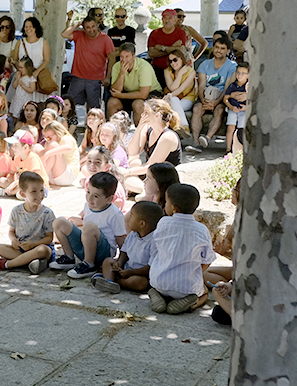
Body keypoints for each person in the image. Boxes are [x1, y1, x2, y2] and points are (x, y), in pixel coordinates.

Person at [148, 183, 215, 314]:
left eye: (166, 202)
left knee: (157, 286)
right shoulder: (202, 230)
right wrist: (195, 272)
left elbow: (154, 249)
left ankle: (155, 293)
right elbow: (208, 259)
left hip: (159, 281)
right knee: (205, 292)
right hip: (187, 287)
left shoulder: (163, 223)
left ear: (174, 208)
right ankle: (192, 304)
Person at [49, 172, 127, 279]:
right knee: (59, 222)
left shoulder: (115, 214)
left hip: (103, 254)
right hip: (86, 246)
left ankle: (89, 265)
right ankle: (69, 257)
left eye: (96, 196)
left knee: (89, 227)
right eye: (88, 192)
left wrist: (122, 261)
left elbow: (121, 239)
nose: (89, 198)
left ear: (109, 199)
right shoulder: (87, 205)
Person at [0, 171, 55, 273]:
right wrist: (14, 240)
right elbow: (11, 232)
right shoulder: (16, 211)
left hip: (39, 247)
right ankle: (31, 263)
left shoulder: (47, 213)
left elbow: (49, 238)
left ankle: (7, 264)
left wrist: (33, 244)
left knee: (43, 250)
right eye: (34, 191)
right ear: (23, 194)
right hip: (22, 248)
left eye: (41, 190)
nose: (40, 195)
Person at [91, 200, 164, 294]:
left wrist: (131, 272)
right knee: (108, 261)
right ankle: (109, 281)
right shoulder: (132, 235)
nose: (128, 218)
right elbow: (124, 252)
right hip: (126, 269)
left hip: (140, 274)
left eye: (132, 216)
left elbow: (150, 268)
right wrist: (119, 263)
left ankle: (115, 281)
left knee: (141, 282)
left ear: (142, 224)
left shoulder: (155, 242)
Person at [121, 99, 183, 194]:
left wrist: (127, 172)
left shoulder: (168, 136)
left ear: (157, 115)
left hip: (164, 177)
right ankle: (143, 190)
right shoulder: (147, 129)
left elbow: (151, 166)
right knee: (134, 162)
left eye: (146, 113)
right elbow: (133, 152)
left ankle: (145, 192)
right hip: (152, 173)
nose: (142, 115)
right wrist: (139, 128)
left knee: (126, 178)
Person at [63, 14, 114, 116]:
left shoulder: (105, 39)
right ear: (84, 28)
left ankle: (92, 125)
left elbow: (111, 59)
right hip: (78, 77)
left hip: (95, 79)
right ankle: (69, 124)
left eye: (93, 26)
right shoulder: (79, 35)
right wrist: (77, 24)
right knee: (69, 105)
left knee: (94, 109)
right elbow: (64, 34)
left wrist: (108, 77)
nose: (91, 30)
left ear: (97, 25)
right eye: (88, 27)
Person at [147, 9, 202, 89]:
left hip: (177, 72)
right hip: (158, 71)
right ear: (162, 19)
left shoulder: (182, 32)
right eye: (165, 18)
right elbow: (151, 53)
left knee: (177, 93)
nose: (167, 20)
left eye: (170, 18)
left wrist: (162, 48)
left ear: (175, 20)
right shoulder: (154, 33)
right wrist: (173, 48)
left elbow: (180, 51)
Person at [106, 42, 161, 121]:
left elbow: (143, 94)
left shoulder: (144, 67)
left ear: (134, 56)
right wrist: (121, 74)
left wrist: (121, 95)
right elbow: (115, 90)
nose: (124, 60)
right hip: (129, 92)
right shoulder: (116, 66)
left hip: (150, 93)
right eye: (121, 57)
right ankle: (113, 127)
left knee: (138, 104)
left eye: (127, 56)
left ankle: (139, 128)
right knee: (112, 103)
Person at [0, 131, 48, 196]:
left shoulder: (33, 158)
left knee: (20, 191)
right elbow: (11, 173)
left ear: (25, 147)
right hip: (22, 184)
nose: (13, 148)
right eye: (13, 145)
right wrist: (10, 180)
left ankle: (8, 192)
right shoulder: (17, 158)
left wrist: (16, 183)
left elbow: (34, 178)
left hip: (38, 186)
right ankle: (14, 192)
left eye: (16, 145)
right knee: (2, 181)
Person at [162, 48, 197, 136]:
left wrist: (170, 95)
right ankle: (185, 126)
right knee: (174, 100)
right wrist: (180, 74)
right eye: (170, 61)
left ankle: (181, 128)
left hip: (187, 98)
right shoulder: (167, 71)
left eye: (175, 60)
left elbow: (181, 88)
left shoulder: (191, 71)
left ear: (182, 59)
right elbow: (172, 87)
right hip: (173, 99)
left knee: (173, 103)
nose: (173, 63)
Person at [39, 121, 80, 187]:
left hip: (67, 175)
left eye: (49, 138)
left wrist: (47, 154)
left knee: (53, 145)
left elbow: (68, 147)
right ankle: (38, 174)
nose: (48, 140)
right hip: (54, 175)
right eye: (46, 138)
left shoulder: (66, 138)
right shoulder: (50, 142)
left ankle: (42, 179)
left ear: (58, 133)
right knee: (37, 147)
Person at [14, 17, 50, 84]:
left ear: (35, 28)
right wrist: (20, 69)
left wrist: (37, 71)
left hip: (38, 76)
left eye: (30, 27)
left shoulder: (43, 42)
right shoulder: (19, 42)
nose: (28, 29)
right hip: (22, 77)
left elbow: (46, 60)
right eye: (26, 27)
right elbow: (15, 59)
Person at [223, 62, 249, 153]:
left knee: (241, 129)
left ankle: (240, 150)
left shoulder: (249, 86)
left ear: (248, 75)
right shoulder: (232, 86)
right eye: (238, 73)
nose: (240, 75)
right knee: (230, 127)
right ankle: (228, 149)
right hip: (233, 110)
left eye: (243, 73)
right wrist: (231, 107)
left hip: (244, 111)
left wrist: (246, 107)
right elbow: (225, 99)